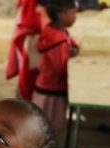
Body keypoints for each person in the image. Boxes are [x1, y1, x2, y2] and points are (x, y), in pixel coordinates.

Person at [32, 0, 79, 129]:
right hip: (52, 89)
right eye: (73, 13)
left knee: (43, 125)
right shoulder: (58, 40)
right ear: (62, 15)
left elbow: (70, 42)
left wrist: (72, 48)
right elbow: (60, 68)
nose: (76, 17)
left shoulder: (54, 29)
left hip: (46, 85)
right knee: (47, 127)